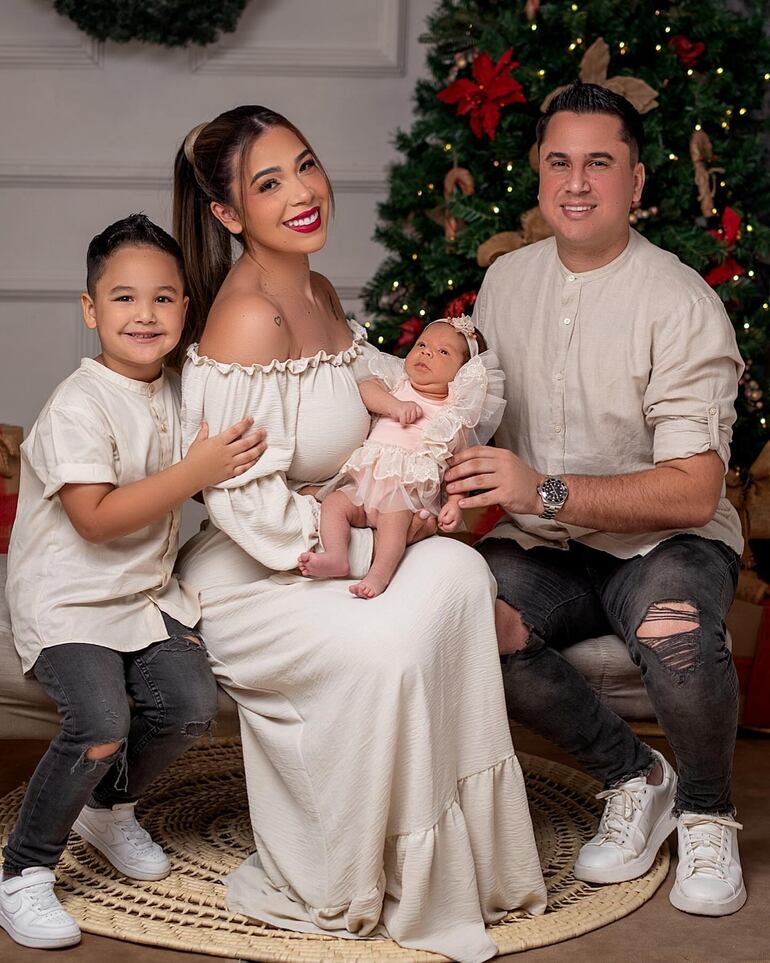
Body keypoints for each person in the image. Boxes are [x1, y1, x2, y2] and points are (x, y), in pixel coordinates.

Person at [172, 105, 546, 963]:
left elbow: (369, 397)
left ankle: (462, 863)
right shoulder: (248, 318)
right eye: (269, 183)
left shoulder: (315, 288)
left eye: (305, 165)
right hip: (262, 565)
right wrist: (355, 523)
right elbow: (239, 498)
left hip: (338, 527)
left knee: (458, 575)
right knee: (391, 643)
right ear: (228, 213)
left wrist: (426, 458)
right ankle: (367, 870)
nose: (303, 193)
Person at [444, 81, 746, 917]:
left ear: (636, 181)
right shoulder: (504, 282)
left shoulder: (681, 302)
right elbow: (477, 415)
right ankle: (635, 776)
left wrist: (541, 487)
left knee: (675, 627)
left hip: (665, 542)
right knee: (460, 613)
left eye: (600, 163)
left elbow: (695, 490)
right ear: (540, 174)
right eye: (560, 162)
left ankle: (707, 812)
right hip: (545, 546)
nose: (577, 183)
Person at [0, 214, 266, 950]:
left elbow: (217, 470)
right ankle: (22, 871)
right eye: (123, 298)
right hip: (70, 599)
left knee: (188, 707)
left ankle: (109, 809)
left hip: (146, 594)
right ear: (91, 310)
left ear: (185, 308)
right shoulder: (78, 404)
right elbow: (95, 519)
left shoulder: (184, 390)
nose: (144, 315)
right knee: (100, 724)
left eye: (162, 298)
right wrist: (195, 471)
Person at [298, 315, 505, 598]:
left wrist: (455, 504)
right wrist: (394, 406)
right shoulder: (398, 383)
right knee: (334, 504)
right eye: (422, 344)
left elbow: (458, 466)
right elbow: (366, 388)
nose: (427, 352)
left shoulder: (452, 415)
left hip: (404, 497)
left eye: (443, 352)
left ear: (462, 373)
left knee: (393, 525)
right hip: (363, 486)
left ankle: (379, 575)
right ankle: (336, 555)